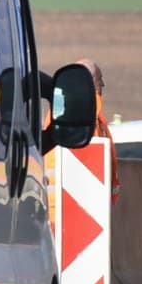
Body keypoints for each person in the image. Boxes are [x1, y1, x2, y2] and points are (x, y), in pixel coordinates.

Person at [45, 58, 119, 236]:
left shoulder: (63, 109)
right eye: (100, 81)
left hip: (65, 207)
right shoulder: (84, 111)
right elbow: (88, 159)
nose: (102, 87)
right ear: (93, 83)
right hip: (73, 209)